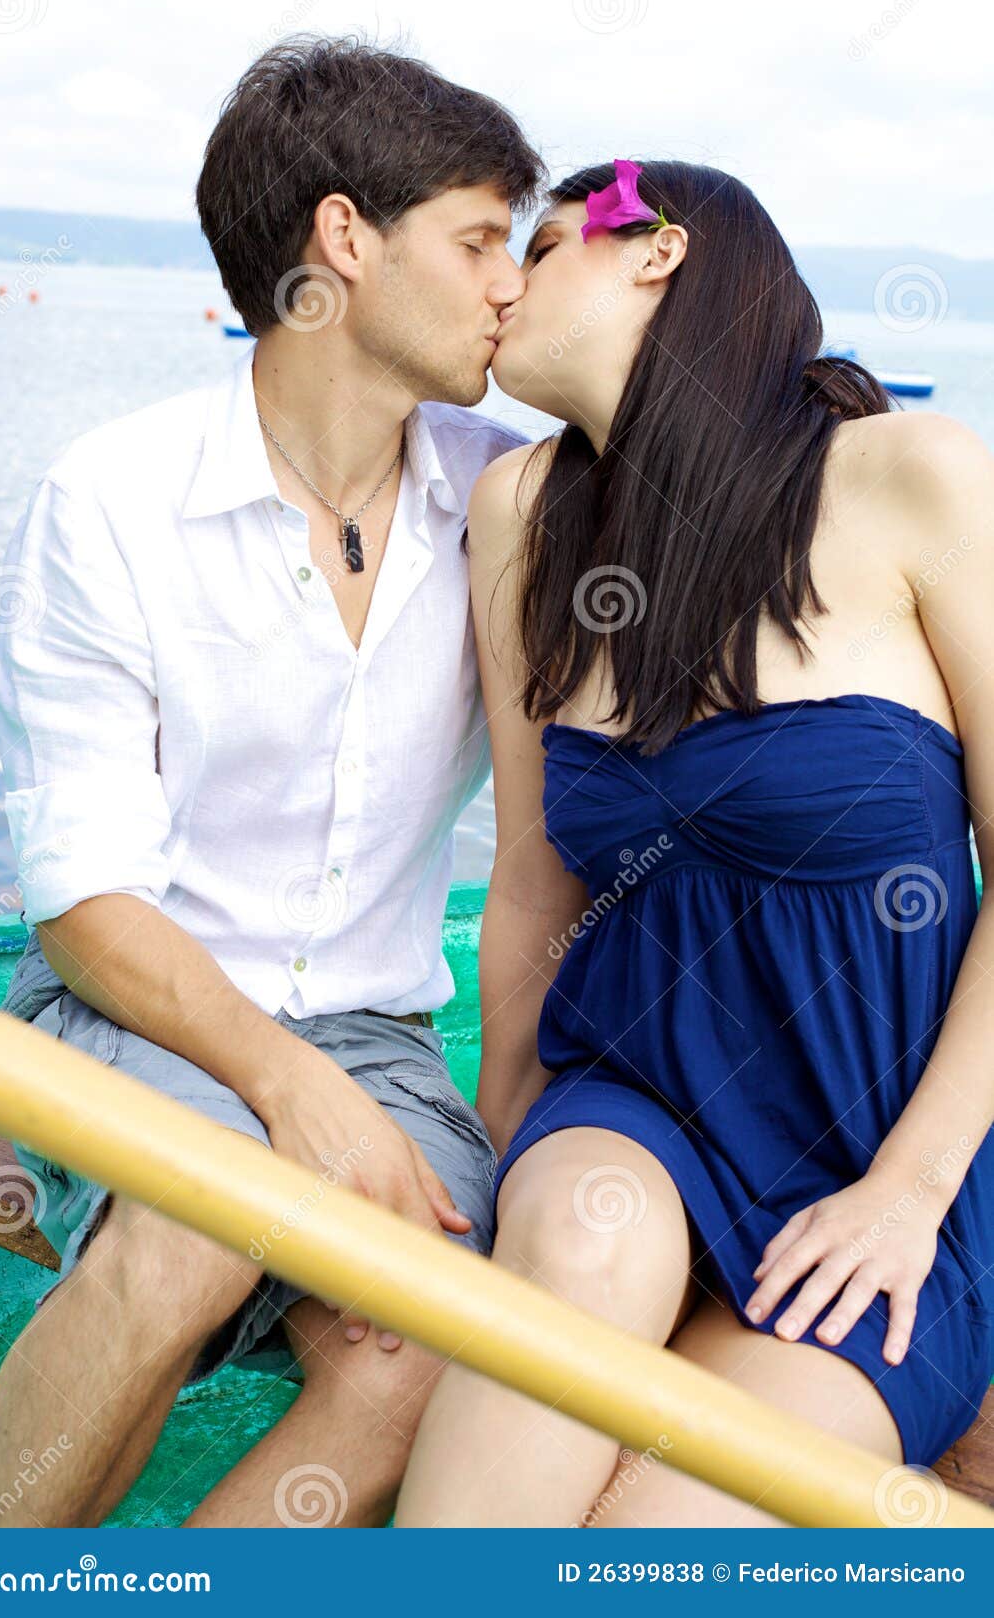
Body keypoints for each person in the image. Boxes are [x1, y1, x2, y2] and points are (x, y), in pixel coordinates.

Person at [0, 35, 543, 1530]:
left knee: (432, 1342)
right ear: (345, 240)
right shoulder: (113, 499)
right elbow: (87, 904)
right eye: (480, 240)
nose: (510, 288)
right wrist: (296, 1100)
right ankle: (0, 1571)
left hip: (378, 1024)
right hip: (133, 993)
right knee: (201, 1221)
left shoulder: (509, 497)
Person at [394, 158, 994, 1528]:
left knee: (655, 1526)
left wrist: (909, 1190)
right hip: (632, 1104)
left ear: (654, 253)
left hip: (880, 1158)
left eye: (537, 249)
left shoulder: (912, 473)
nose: (501, 286)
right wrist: (505, 1140)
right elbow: (536, 874)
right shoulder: (525, 514)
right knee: (582, 1258)